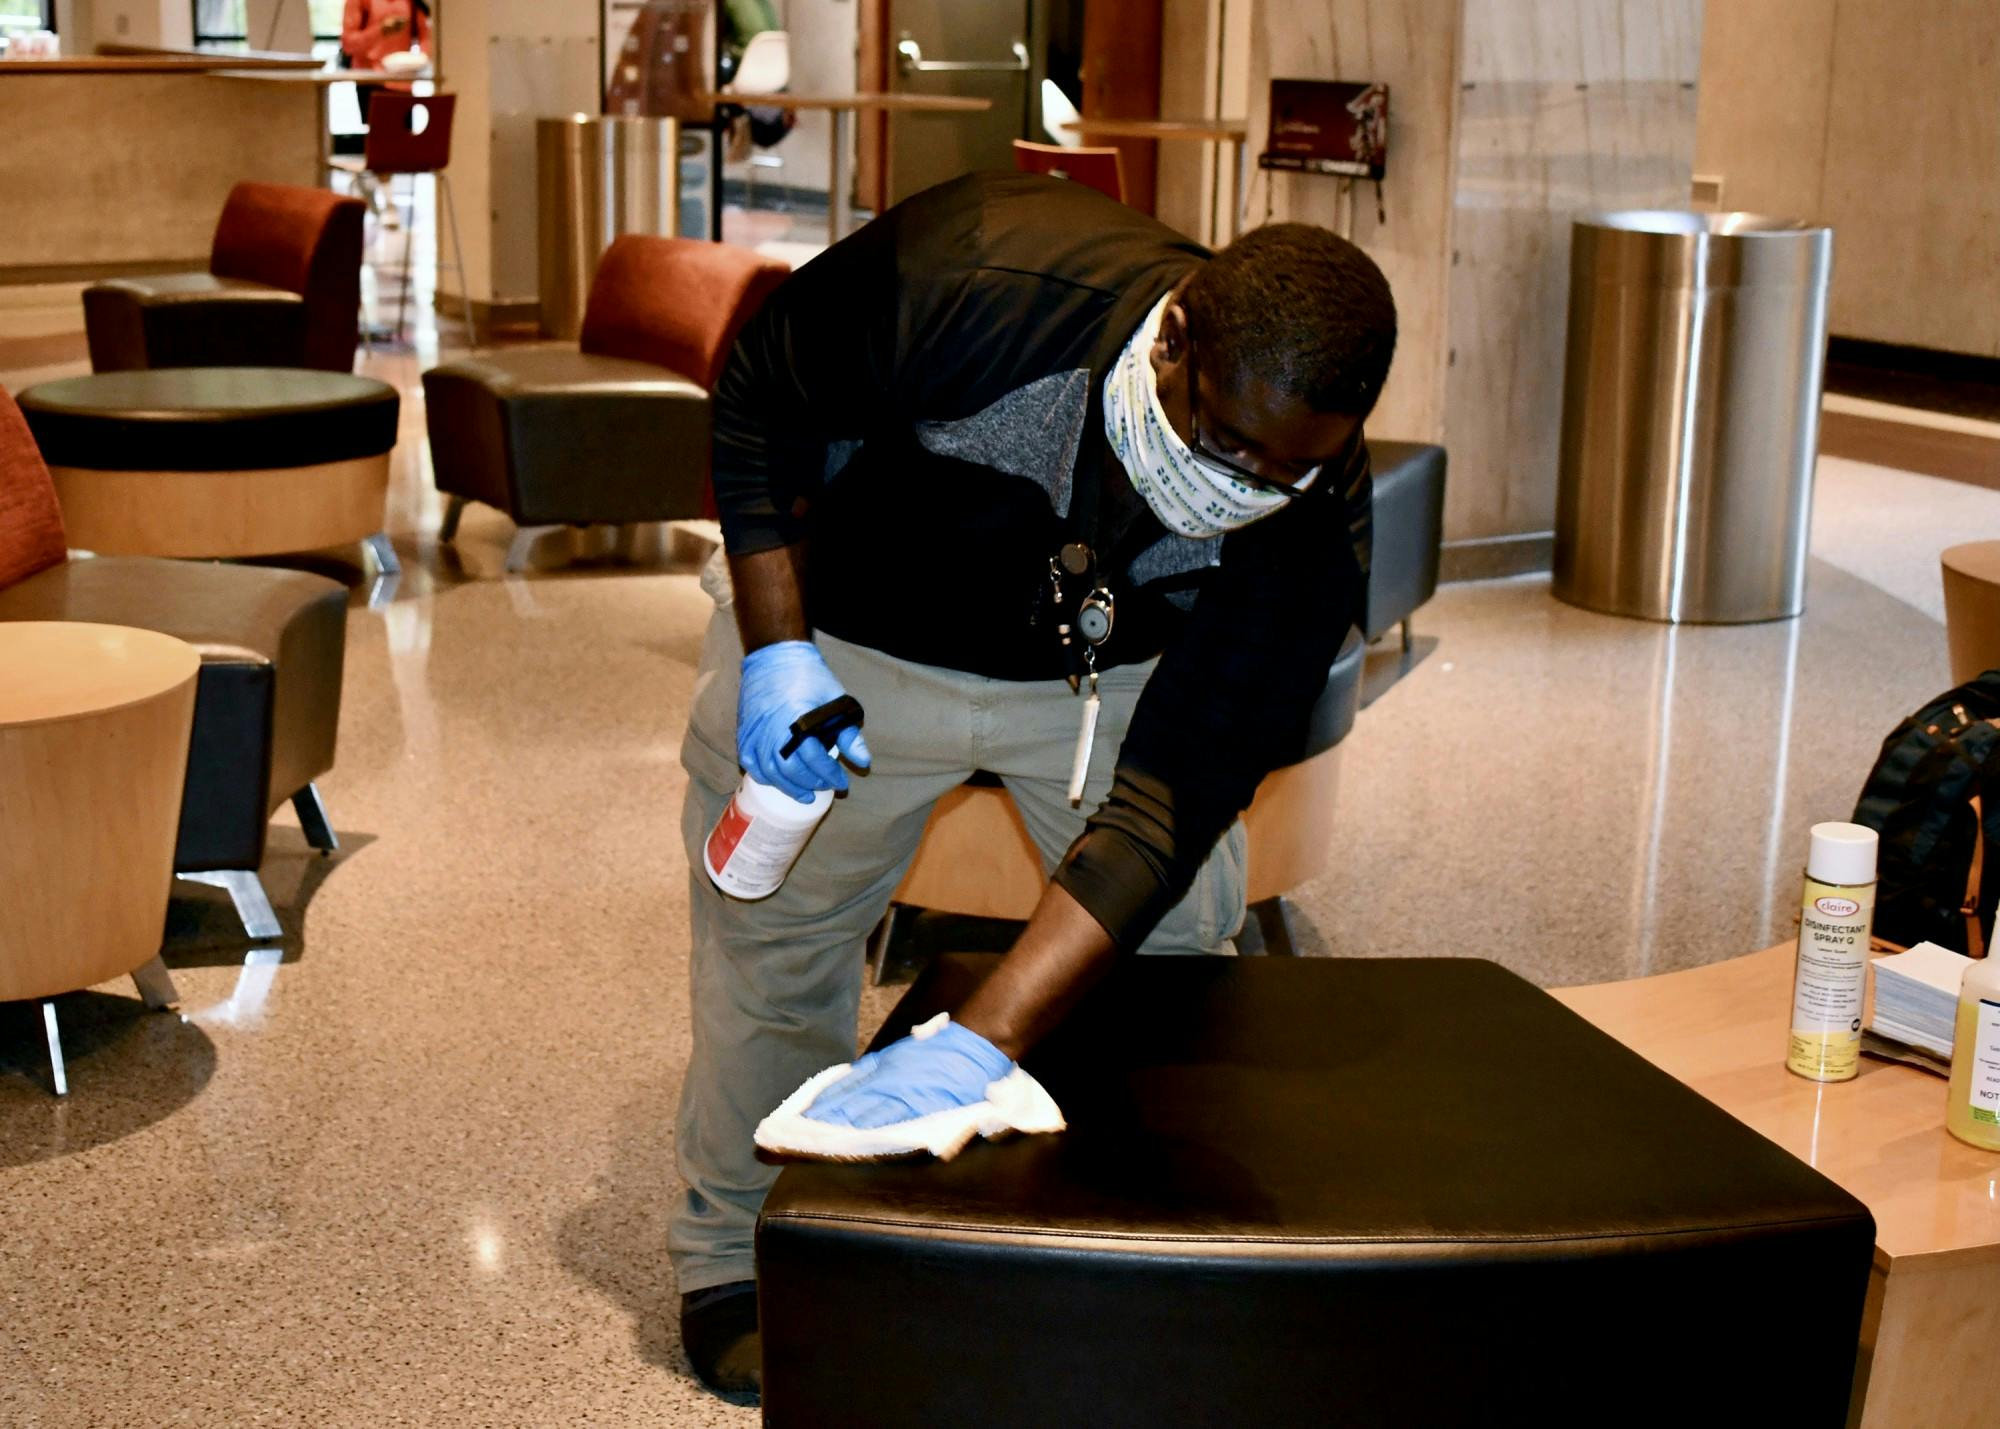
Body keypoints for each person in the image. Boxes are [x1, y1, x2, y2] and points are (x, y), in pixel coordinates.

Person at [673, 171, 1396, 1398]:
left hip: (1103, 673)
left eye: (1279, 471)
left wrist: (980, 1037)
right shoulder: (980, 285)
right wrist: (778, 645)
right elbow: (757, 398)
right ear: (1173, 342)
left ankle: (1119, 1238)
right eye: (1222, 440)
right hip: (857, 634)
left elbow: (1174, 795)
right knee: (777, 943)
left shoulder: (1311, 517)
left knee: (1167, 957)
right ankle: (740, 1250)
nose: (1239, 485)